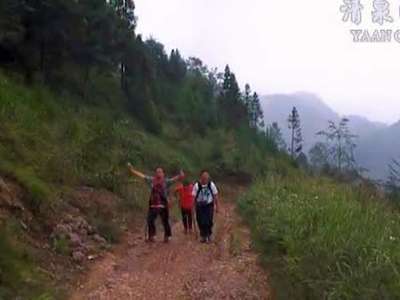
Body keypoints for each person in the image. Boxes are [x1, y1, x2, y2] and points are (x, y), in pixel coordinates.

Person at [127, 163, 184, 243]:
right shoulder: (151, 180)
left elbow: (174, 179)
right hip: (153, 204)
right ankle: (152, 236)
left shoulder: (166, 181)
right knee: (150, 220)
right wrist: (132, 170)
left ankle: (167, 236)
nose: (159, 173)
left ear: (163, 173)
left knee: (165, 221)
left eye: (160, 172)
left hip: (163, 205)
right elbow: (142, 176)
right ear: (155, 173)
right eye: (157, 172)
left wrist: (180, 175)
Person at [192, 170, 219, 243]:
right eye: (204, 177)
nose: (205, 179)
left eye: (206, 177)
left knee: (209, 220)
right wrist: (192, 207)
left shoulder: (211, 185)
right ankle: (203, 235)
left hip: (209, 205)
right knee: (200, 220)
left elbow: (215, 195)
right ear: (201, 177)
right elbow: (193, 197)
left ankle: (209, 235)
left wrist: (217, 206)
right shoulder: (197, 185)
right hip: (199, 205)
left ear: (208, 177)